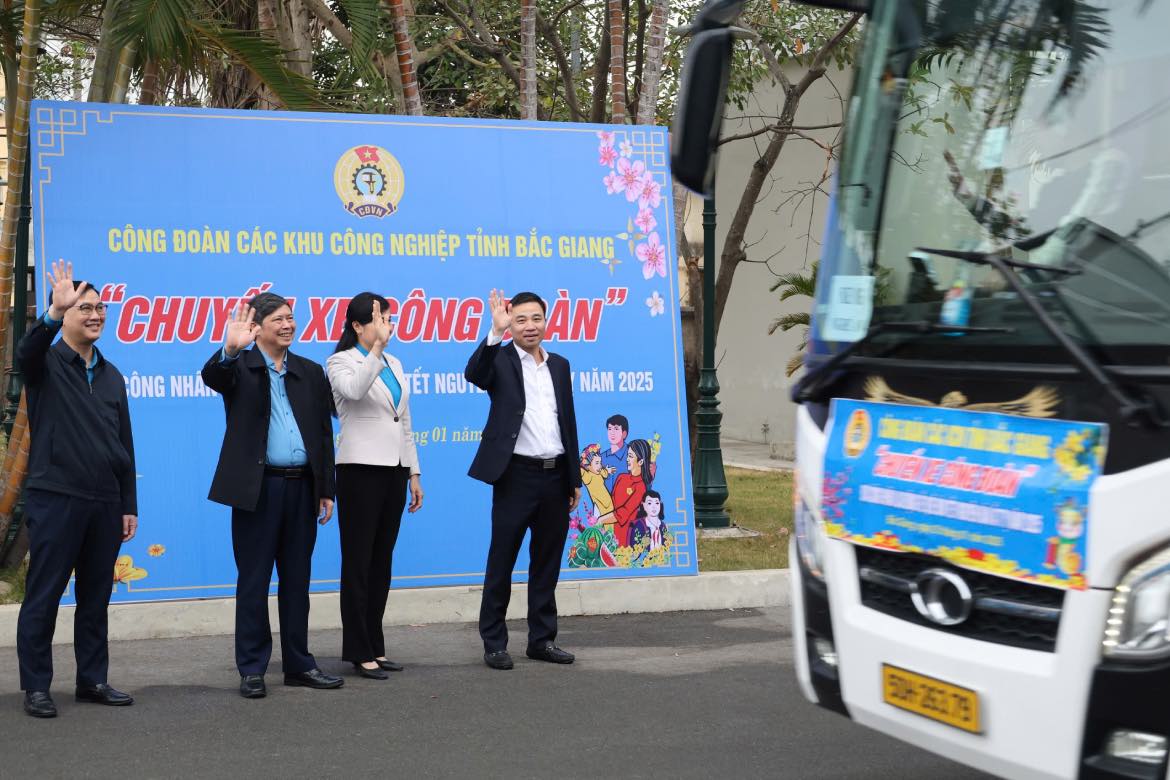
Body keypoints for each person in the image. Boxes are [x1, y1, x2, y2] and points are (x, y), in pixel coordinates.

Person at [201, 292, 343, 699]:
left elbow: (322, 434)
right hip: (257, 490)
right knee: (254, 580)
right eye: (278, 319)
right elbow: (213, 377)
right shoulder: (238, 366)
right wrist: (230, 348)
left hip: (302, 487)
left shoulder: (310, 371)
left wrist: (326, 488)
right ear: (257, 327)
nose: (288, 325)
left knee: (297, 581)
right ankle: (252, 668)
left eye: (291, 318)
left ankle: (299, 664)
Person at [15, 261, 138, 719]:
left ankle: (92, 679)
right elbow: (25, 352)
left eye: (100, 308)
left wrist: (128, 503)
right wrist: (49, 314)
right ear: (65, 314)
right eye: (84, 307)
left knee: (95, 598)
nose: (95, 315)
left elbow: (124, 443)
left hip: (105, 502)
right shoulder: (45, 363)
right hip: (57, 497)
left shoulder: (112, 376)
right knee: (44, 595)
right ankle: (36, 687)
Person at [465, 289, 582, 670]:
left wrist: (573, 478)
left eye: (536, 319)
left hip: (554, 475)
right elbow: (474, 374)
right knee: (502, 561)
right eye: (521, 319)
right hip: (515, 476)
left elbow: (568, 423)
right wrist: (494, 332)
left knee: (546, 563)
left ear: (546, 321)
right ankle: (495, 643)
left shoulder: (559, 365)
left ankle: (542, 640)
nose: (530, 326)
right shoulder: (498, 359)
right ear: (510, 323)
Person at [327, 293, 424, 680]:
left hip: (394, 471)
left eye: (389, 318)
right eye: (380, 319)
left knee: (381, 562)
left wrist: (414, 472)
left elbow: (404, 420)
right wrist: (377, 348)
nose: (388, 325)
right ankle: (357, 649)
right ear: (357, 326)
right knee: (358, 562)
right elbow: (353, 392)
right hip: (359, 471)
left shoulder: (395, 363)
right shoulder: (340, 361)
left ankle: (376, 645)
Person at [601, 439, 653, 548]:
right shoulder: (621, 477)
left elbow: (623, 512)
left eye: (631, 456)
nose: (627, 459)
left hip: (623, 538)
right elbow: (611, 502)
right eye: (627, 455)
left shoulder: (640, 487)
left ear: (641, 461)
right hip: (608, 531)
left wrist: (600, 520)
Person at [579, 443, 615, 521]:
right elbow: (579, 469)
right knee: (601, 526)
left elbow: (604, 474)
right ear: (588, 465)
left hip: (608, 502)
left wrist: (607, 470)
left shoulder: (599, 471)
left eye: (600, 462)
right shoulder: (587, 476)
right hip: (599, 506)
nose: (600, 465)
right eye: (597, 463)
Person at [601, 414, 629, 493]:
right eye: (609, 429)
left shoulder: (632, 455)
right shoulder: (601, 458)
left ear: (624, 434)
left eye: (616, 429)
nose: (612, 433)